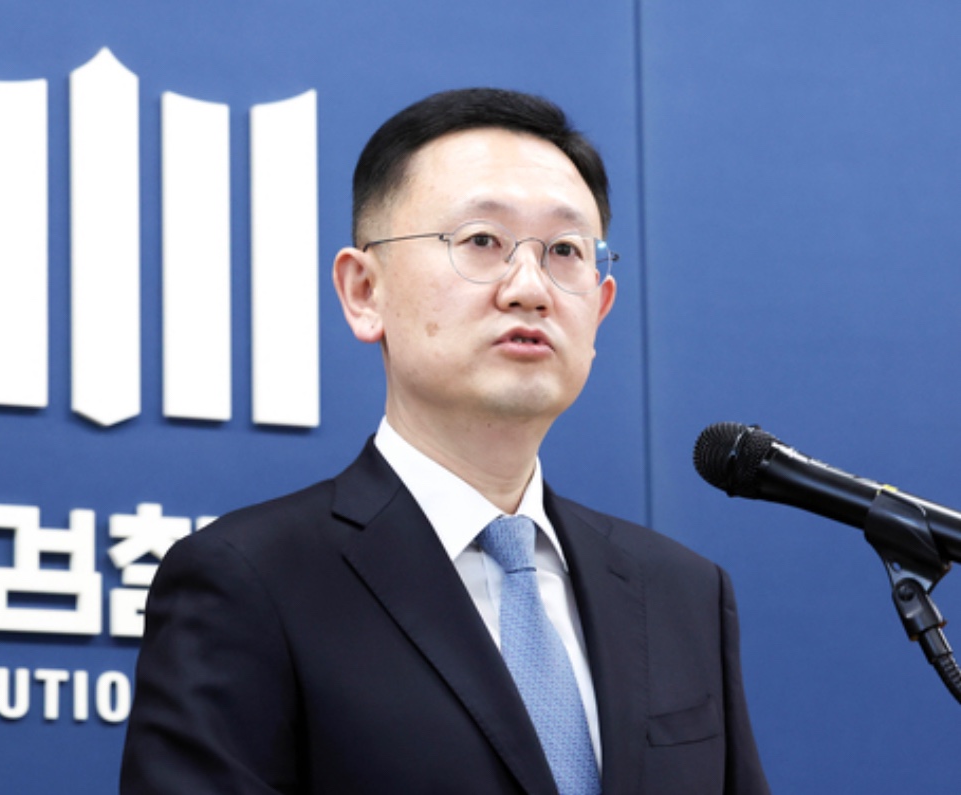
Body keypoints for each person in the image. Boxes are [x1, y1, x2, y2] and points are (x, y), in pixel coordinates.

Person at [120, 88, 770, 794]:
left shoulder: (681, 594)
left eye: (564, 251)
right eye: (482, 241)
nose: (529, 288)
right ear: (363, 290)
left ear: (601, 307)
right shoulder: (251, 580)